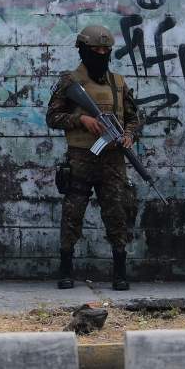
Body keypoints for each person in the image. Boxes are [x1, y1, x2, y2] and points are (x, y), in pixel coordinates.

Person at [46, 25, 141, 291]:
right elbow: (52, 117)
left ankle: (120, 271)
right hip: (80, 158)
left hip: (113, 159)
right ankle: (66, 269)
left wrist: (129, 135)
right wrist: (81, 119)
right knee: (72, 213)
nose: (100, 54)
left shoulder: (118, 83)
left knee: (117, 212)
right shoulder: (70, 82)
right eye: (95, 50)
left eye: (105, 50)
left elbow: (134, 117)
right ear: (83, 51)